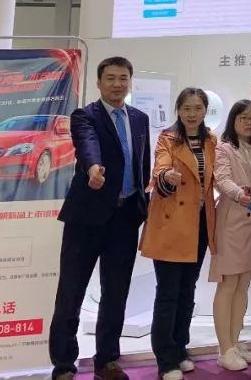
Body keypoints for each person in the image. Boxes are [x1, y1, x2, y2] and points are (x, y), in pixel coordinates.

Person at [49, 56, 150, 380]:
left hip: (125, 219)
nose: (117, 84)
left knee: (116, 293)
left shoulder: (140, 119)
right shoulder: (85, 116)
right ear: (99, 83)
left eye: (123, 78)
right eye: (110, 78)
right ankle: (64, 365)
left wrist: (143, 205)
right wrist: (93, 168)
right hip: (86, 218)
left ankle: (106, 361)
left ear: (130, 82)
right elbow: (87, 145)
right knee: (71, 292)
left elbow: (142, 165)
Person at [140, 88, 218, 380]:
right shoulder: (168, 138)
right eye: (186, 108)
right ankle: (165, 359)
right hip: (172, 224)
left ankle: (181, 347)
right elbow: (159, 169)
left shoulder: (211, 140)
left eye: (197, 108)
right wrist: (166, 176)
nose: (192, 114)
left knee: (187, 290)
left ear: (205, 110)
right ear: (178, 110)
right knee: (168, 293)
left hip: (199, 225)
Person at [210, 99, 251, 371]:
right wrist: (242, 196)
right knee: (228, 284)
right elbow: (221, 179)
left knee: (243, 285)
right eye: (243, 118)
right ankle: (224, 348)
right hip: (232, 222)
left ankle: (235, 341)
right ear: (233, 121)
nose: (249, 122)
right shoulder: (224, 148)